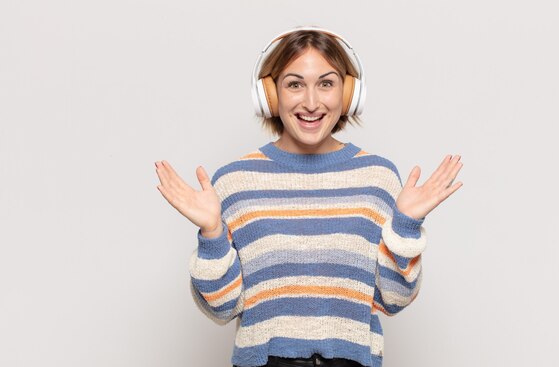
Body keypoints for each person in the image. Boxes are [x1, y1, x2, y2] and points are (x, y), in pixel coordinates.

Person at [155, 26, 463, 367]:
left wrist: (405, 225)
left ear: (347, 94)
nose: (312, 102)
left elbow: (394, 298)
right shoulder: (233, 183)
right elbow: (221, 308)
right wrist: (212, 234)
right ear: (270, 95)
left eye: (326, 83)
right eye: (294, 84)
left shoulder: (378, 179)